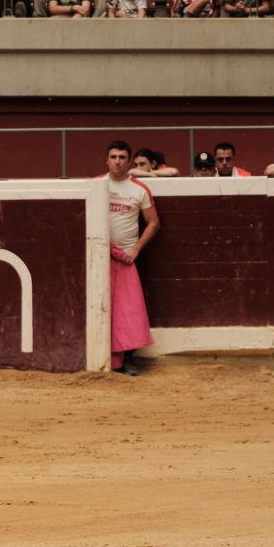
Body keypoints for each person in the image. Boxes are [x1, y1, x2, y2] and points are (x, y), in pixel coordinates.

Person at [101, 140, 157, 375]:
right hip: (98, 258)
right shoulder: (95, 185)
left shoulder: (139, 189)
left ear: (129, 161)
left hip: (125, 258)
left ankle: (125, 359)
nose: (117, 161)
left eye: (122, 157)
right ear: (107, 159)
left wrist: (135, 250)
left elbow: (154, 222)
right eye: (113, 157)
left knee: (126, 311)